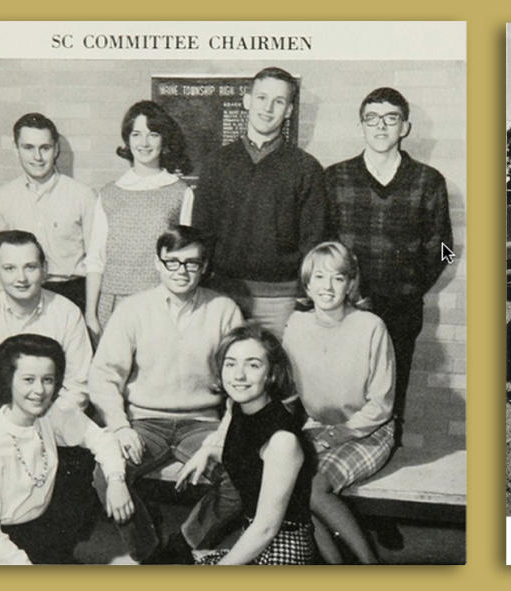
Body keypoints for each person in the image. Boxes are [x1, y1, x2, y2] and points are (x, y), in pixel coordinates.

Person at [87, 225, 244, 563]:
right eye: (172, 262)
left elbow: (242, 386)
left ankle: (183, 547)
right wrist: (120, 426)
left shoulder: (224, 310)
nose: (181, 271)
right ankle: (150, 555)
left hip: (202, 424)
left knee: (242, 476)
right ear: (157, 264)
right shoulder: (132, 309)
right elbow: (103, 376)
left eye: (191, 263)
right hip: (144, 423)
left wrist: (219, 439)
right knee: (106, 476)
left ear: (204, 267)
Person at [325, 87, 453, 446]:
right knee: (347, 384)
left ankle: (385, 444)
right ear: (361, 126)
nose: (381, 126)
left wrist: (413, 287)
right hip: (345, 307)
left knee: (392, 385)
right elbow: (323, 244)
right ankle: (342, 446)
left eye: (391, 118)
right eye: (372, 119)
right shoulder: (335, 178)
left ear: (405, 127)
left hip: (402, 307)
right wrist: (338, 292)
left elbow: (446, 249)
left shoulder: (429, 181)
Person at [0, 230, 93, 526]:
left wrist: (47, 427)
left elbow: (78, 384)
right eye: (10, 268)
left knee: (76, 470)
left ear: (44, 269)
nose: (21, 278)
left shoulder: (67, 314)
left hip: (49, 408)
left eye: (30, 267)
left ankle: (49, 549)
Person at [0, 333, 132, 564]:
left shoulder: (50, 414)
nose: (40, 391)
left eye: (48, 380)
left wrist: (116, 481)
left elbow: (101, 439)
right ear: (7, 380)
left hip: (44, 532)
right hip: (1, 551)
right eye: (28, 380)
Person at [193, 66, 327, 339]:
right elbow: (202, 235)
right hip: (223, 296)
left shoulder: (306, 168)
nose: (268, 108)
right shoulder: (217, 163)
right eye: (262, 98)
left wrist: (303, 298)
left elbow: (314, 241)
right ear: (247, 101)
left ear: (289, 110)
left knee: (280, 377)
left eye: (279, 102)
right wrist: (204, 291)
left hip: (282, 302)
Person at [286, 241, 395, 564]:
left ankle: (370, 567)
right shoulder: (296, 325)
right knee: (289, 484)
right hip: (318, 427)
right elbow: (287, 391)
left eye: (337, 278)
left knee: (313, 488)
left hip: (370, 431)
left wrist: (338, 434)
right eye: (319, 277)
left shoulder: (370, 326)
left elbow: (382, 404)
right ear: (307, 283)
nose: (327, 287)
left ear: (350, 284)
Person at [177, 325, 315, 565]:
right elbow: (251, 457)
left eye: (253, 365)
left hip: (283, 552)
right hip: (253, 539)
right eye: (230, 364)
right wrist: (208, 451)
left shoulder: (282, 440)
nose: (238, 376)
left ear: (271, 372)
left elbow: (266, 529)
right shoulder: (241, 408)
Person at [84, 100, 194, 340]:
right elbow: (95, 259)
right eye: (136, 134)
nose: (144, 143)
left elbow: (185, 260)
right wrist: (91, 314)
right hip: (112, 305)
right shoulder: (109, 193)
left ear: (163, 140)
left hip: (160, 303)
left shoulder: (180, 192)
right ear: (127, 140)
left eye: (152, 134)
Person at [0, 113, 97, 311]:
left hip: (71, 293)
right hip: (20, 294)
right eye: (28, 148)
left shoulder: (83, 196)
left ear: (56, 149)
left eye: (45, 148)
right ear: (16, 150)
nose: (37, 157)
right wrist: (3, 307)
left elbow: (96, 260)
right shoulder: (3, 197)